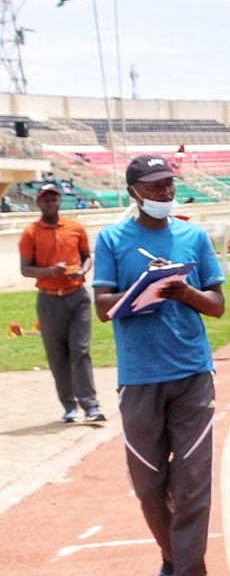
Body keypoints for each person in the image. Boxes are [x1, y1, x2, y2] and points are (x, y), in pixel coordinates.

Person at [93, 155, 227, 576]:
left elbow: (217, 305)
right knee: (149, 484)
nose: (165, 192)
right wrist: (143, 291)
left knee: (192, 482)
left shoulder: (193, 236)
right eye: (154, 186)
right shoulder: (112, 239)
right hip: (140, 377)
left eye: (169, 184)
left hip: (192, 373)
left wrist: (184, 292)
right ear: (134, 192)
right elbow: (103, 307)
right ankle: (172, 555)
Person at [19, 181, 103, 424]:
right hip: (49, 299)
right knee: (58, 355)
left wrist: (82, 271)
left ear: (59, 201)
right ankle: (69, 405)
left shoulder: (75, 227)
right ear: (38, 203)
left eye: (54, 199)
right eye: (46, 199)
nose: (51, 203)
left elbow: (87, 258)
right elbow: (25, 269)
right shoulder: (30, 233)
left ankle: (91, 405)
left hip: (77, 296)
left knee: (80, 350)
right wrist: (50, 271)